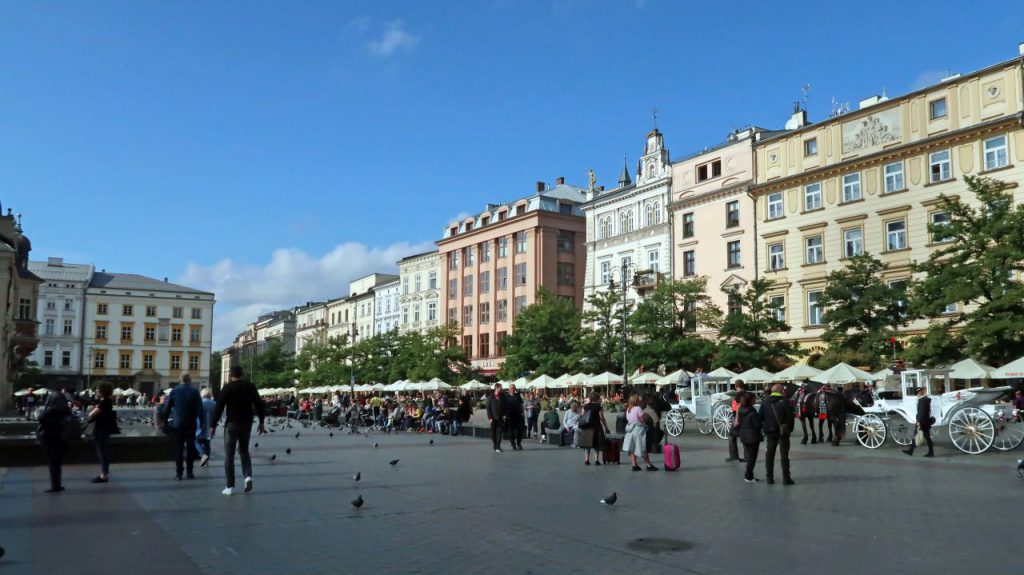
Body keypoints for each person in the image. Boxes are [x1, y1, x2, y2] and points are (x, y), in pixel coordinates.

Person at [212, 365, 267, 495]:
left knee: (229, 455)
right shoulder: (250, 386)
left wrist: (213, 425)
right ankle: (248, 477)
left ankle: (229, 486)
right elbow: (259, 404)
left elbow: (219, 407)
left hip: (231, 423)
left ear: (231, 375)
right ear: (242, 374)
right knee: (244, 451)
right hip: (246, 423)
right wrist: (262, 422)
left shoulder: (227, 388)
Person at [160, 374, 204, 481]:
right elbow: (200, 408)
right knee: (190, 447)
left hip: (177, 424)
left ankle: (179, 473)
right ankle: (190, 472)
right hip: (190, 424)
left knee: (179, 448)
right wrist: (202, 422)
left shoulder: (174, 391)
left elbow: (167, 408)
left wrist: (164, 421)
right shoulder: (195, 391)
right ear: (190, 380)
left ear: (180, 380)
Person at [759, 384, 795, 485]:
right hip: (783, 433)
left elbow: (760, 417)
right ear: (781, 391)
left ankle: (769, 478)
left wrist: (766, 427)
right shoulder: (785, 402)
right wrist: (789, 429)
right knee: (784, 456)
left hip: (770, 432)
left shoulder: (765, 402)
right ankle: (786, 478)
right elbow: (790, 418)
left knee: (769, 455)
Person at [38, 392, 71, 493]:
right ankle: (57, 484)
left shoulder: (50, 410)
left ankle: (55, 485)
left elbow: (41, 418)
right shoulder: (65, 410)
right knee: (57, 463)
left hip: (50, 438)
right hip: (62, 438)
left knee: (53, 463)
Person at [87, 382, 119, 483]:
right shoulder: (107, 401)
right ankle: (104, 473)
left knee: (102, 452)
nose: (96, 391)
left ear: (102, 391)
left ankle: (104, 475)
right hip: (105, 429)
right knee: (103, 452)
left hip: (101, 430)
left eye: (97, 389)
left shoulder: (104, 402)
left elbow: (91, 414)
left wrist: (93, 409)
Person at [623, 394, 658, 471]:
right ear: (636, 401)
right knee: (642, 448)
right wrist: (645, 419)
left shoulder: (628, 409)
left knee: (631, 448)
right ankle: (648, 465)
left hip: (630, 430)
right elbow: (642, 420)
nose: (640, 401)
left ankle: (634, 465)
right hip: (638, 430)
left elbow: (628, 419)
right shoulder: (638, 408)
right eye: (639, 399)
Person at [903, 387, 935, 458]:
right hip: (925, 421)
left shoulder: (922, 400)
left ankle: (930, 452)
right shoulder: (926, 399)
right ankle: (911, 450)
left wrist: (919, 421)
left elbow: (921, 412)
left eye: (917, 393)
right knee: (920, 436)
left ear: (919, 392)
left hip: (922, 422)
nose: (917, 395)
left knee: (923, 436)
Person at [579, 392, 609, 465]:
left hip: (587, 427)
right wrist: (606, 427)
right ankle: (596, 460)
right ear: (597, 398)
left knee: (587, 444)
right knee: (596, 443)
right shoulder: (598, 406)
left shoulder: (585, 406)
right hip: (596, 426)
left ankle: (586, 460)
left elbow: (582, 415)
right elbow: (601, 417)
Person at [738, 393, 762, 482]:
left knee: (749, 456)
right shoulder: (752, 411)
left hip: (744, 435)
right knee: (752, 458)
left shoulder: (741, 409)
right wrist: (761, 423)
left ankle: (750, 476)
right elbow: (757, 425)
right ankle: (748, 476)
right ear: (750, 400)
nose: (755, 400)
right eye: (754, 399)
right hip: (753, 436)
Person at [726, 380, 747, 463]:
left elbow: (738, 407)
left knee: (731, 436)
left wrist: (736, 419)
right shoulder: (746, 394)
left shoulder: (738, 395)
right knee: (745, 437)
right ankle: (747, 456)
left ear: (735, 386)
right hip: (746, 418)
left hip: (738, 418)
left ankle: (734, 456)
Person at [196, 387, 217, 467]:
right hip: (210, 426)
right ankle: (206, 461)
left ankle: (203, 455)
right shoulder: (214, 403)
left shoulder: (199, 403)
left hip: (199, 425)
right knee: (207, 443)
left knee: (196, 441)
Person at [486, 384, 507, 453]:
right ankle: (495, 445)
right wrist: (490, 418)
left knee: (499, 433)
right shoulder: (491, 397)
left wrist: (505, 415)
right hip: (493, 418)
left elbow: (505, 407)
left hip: (500, 418)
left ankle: (498, 446)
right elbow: (488, 408)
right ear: (496, 388)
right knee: (493, 434)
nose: (501, 389)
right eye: (500, 388)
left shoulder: (503, 397)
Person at [506, 384, 525, 450]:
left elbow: (521, 404)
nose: (512, 389)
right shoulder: (506, 397)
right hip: (510, 416)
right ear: (509, 389)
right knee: (511, 431)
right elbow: (503, 407)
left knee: (519, 430)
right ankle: (513, 444)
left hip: (518, 415)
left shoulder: (518, 396)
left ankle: (519, 443)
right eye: (511, 388)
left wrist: (523, 413)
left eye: (514, 388)